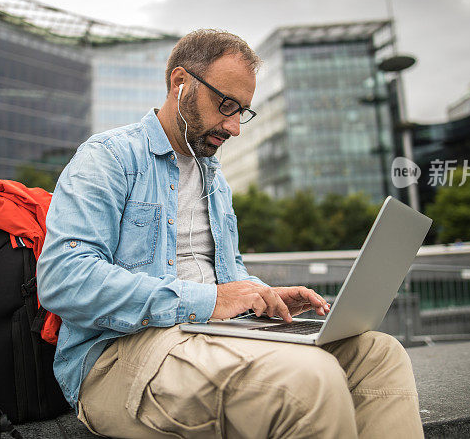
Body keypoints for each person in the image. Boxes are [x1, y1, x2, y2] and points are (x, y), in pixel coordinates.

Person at [37, 29, 424, 438]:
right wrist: (213, 300)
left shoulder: (213, 178)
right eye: (226, 105)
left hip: (210, 334)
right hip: (119, 354)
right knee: (309, 380)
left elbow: (225, 272)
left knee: (379, 355)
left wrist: (261, 293)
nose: (235, 127)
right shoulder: (108, 157)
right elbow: (64, 279)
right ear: (179, 82)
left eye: (243, 111)